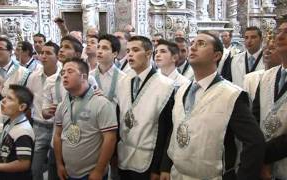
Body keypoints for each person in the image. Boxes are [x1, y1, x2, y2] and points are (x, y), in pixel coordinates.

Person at [164, 32, 265, 180]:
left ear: (216, 56)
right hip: (177, 174)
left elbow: (255, 142)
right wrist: (165, 166)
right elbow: (176, 128)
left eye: (201, 44)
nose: (193, 47)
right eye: (192, 43)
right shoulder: (182, 90)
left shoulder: (231, 95)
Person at [117, 36, 175, 179]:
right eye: (128, 50)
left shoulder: (166, 85)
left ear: (149, 54)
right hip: (123, 155)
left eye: (135, 50)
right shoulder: (123, 81)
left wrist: (160, 167)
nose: (130, 54)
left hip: (149, 159)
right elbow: (119, 118)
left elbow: (167, 129)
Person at [54, 58, 117, 180]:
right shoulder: (62, 104)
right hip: (67, 171)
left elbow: (110, 138)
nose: (65, 75)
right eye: (63, 72)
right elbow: (57, 135)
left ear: (83, 76)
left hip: (91, 174)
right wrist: (59, 164)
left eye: (70, 72)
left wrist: (99, 170)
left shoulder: (102, 103)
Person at [253, 21, 287, 179]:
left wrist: (263, 156)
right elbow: (255, 116)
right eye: (279, 31)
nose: (280, 36)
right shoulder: (267, 76)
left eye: (286, 32)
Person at [0, 84, 35, 180]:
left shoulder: (23, 131)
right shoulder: (12, 122)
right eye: (5, 97)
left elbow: (24, 164)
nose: (3, 100)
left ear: (22, 106)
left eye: (10, 99)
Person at [27, 41, 59, 180]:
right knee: (35, 168)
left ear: (57, 56)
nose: (43, 56)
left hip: (57, 127)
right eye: (42, 53)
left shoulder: (63, 76)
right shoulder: (33, 76)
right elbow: (28, 101)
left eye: (48, 53)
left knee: (56, 167)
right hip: (39, 126)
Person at [90, 34, 126, 104]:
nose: (99, 51)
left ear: (115, 54)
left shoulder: (123, 78)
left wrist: (105, 99)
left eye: (105, 48)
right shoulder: (90, 76)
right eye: (98, 47)